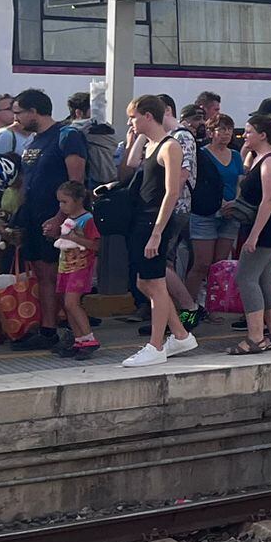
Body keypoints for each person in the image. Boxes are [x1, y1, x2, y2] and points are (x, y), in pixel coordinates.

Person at [10, 89, 89, 354]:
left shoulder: (67, 136)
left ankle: (77, 333)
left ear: (34, 111)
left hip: (58, 219)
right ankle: (48, 330)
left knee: (61, 277)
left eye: (19, 112)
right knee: (43, 273)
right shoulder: (33, 141)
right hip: (34, 217)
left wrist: (60, 218)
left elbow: (76, 182)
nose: (16, 118)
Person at [121, 94, 196, 368]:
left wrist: (156, 233)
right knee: (146, 282)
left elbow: (172, 192)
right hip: (142, 220)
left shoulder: (169, 146)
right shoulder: (151, 145)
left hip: (155, 222)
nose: (130, 122)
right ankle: (180, 334)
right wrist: (137, 137)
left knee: (155, 283)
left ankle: (155, 345)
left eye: (133, 117)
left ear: (148, 116)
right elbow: (131, 165)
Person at [228, 114, 271, 354]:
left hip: (265, 228)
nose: (245, 136)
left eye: (249, 132)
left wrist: (254, 235)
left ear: (263, 135)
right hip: (266, 227)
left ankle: (255, 337)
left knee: (246, 277)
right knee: (264, 278)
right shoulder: (260, 158)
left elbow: (269, 200)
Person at [187, 114, 243, 320]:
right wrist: (219, 203)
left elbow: (239, 181)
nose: (226, 134)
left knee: (219, 264)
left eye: (229, 129)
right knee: (201, 264)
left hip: (231, 213)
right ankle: (188, 311)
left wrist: (235, 202)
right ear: (211, 132)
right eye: (221, 129)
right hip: (206, 212)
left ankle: (212, 307)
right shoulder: (202, 155)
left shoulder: (235, 155)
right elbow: (199, 184)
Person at [46, 181, 100, 359]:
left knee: (72, 303)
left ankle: (89, 338)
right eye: (59, 202)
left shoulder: (87, 219)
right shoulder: (68, 221)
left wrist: (74, 238)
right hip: (66, 266)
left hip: (80, 267)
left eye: (65, 202)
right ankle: (79, 339)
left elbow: (95, 245)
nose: (61, 206)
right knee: (67, 305)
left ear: (78, 200)